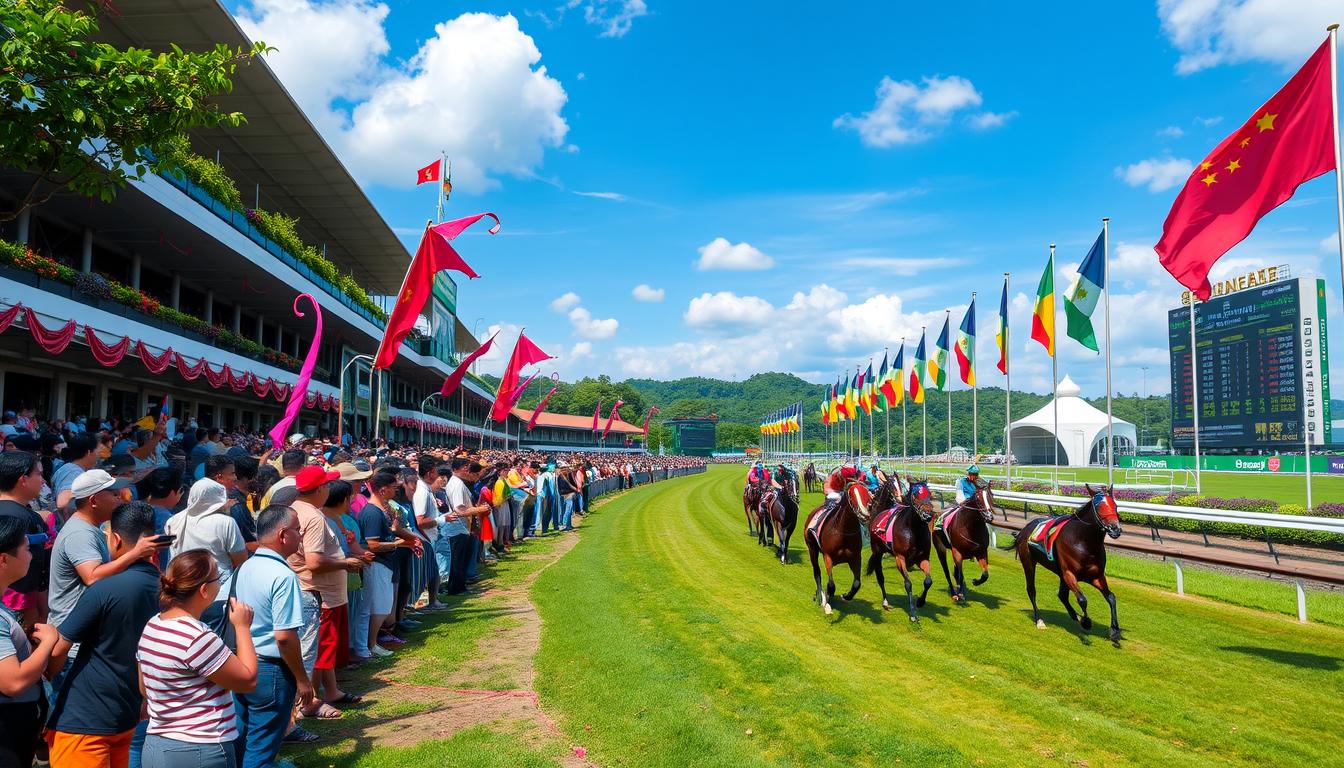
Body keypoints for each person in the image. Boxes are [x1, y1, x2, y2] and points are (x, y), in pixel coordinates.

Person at [45, 502, 162, 768]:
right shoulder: (167, 589)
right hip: (130, 712)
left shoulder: (105, 589)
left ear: (116, 538)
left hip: (84, 718)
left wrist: (45, 676)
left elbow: (60, 647)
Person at [136, 550, 258, 768]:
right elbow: (247, 681)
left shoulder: (152, 625)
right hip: (200, 750)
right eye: (217, 578)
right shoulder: (197, 638)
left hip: (156, 746)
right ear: (203, 590)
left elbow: (145, 688)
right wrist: (242, 627)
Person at [232, 505, 316, 765]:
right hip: (272, 671)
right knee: (262, 746)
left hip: (243, 662)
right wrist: (303, 679)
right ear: (283, 535)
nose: (301, 537)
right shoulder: (283, 575)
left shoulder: (245, 567)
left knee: (243, 738)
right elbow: (284, 637)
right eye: (298, 531)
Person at [286, 465, 361, 718]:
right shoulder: (314, 517)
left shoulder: (296, 509)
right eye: (326, 485)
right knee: (318, 649)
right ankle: (310, 701)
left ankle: (330, 690)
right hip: (320, 593)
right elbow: (315, 562)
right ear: (318, 489)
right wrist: (346, 563)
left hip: (318, 591)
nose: (329, 489)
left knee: (323, 649)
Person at [0, 514, 57, 767]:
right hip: (7, 728)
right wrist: (48, 642)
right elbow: (13, 682)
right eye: (26, 548)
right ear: (3, 559)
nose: (33, 554)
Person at [163, 478, 247, 634]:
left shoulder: (173, 520)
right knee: (214, 636)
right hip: (216, 591)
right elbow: (241, 561)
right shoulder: (225, 522)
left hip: (182, 589)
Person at [355, 471, 403, 659]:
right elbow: (373, 544)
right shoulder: (373, 512)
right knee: (379, 608)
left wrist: (393, 530)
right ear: (383, 490)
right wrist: (396, 543)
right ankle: (371, 643)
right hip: (377, 564)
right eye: (393, 487)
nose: (395, 491)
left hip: (383, 564)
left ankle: (371, 643)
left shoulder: (377, 510)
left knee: (381, 608)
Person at [0, 451, 51, 627]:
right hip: (17, 606)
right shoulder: (28, 519)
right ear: (23, 479)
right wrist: (41, 611)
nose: (43, 480)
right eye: (38, 474)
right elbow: (37, 571)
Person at [442, 458, 490, 595]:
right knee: (457, 560)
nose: (468, 470)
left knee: (461, 559)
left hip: (461, 527)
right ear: (457, 469)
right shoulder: (457, 484)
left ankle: (460, 586)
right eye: (465, 467)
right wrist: (480, 510)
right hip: (457, 527)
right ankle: (456, 588)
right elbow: (460, 510)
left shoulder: (458, 483)